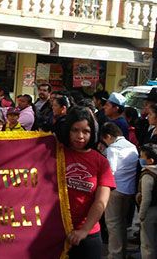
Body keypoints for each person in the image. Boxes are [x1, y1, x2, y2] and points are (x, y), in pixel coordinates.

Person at [57, 106, 115, 259]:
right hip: (54, 233)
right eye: (75, 130)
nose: (80, 136)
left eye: (86, 131)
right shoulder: (54, 153)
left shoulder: (101, 162)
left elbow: (101, 201)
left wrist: (84, 231)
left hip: (88, 236)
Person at [100, 122, 138, 259]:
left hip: (116, 190)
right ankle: (121, 252)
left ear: (108, 136)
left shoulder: (113, 149)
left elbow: (110, 171)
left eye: (105, 140)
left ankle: (115, 255)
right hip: (129, 190)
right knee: (121, 223)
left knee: (113, 224)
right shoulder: (132, 147)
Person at [137, 143, 157, 259]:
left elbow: (146, 198)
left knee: (147, 243)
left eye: (142, 157)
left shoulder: (147, 175)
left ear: (150, 160)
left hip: (149, 212)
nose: (140, 159)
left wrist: (141, 215)